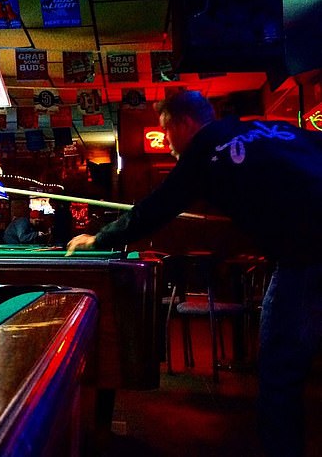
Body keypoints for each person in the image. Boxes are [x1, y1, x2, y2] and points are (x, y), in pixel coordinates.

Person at [67, 90, 322, 457]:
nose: (168, 142)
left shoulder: (205, 150)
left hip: (307, 256)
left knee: (280, 375)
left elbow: (154, 210)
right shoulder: (271, 128)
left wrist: (98, 239)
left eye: (167, 132)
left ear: (185, 123)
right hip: (307, 250)